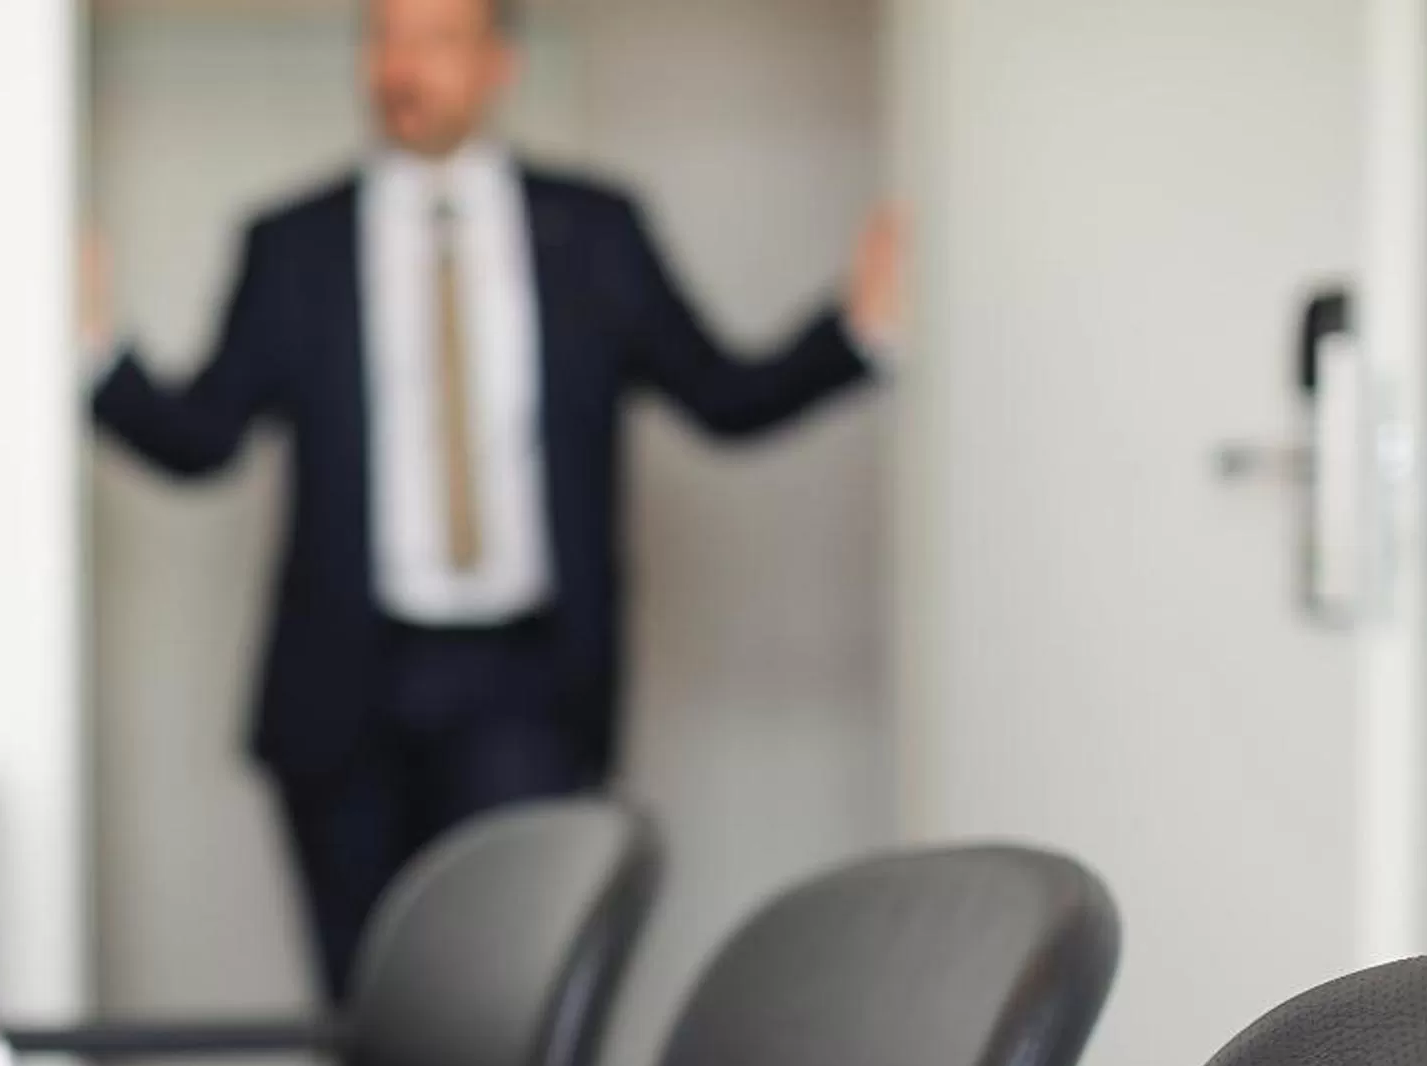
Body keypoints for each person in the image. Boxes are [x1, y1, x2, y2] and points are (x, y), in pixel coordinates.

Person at [85, 0, 902, 998]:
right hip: (343, 685)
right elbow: (198, 438)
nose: (399, 66)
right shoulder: (291, 244)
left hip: (527, 682)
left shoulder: (595, 231)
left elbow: (720, 396)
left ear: (495, 64)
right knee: (365, 1002)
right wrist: (93, 351)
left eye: (433, 40)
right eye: (382, 38)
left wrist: (855, 332)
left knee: (509, 994)